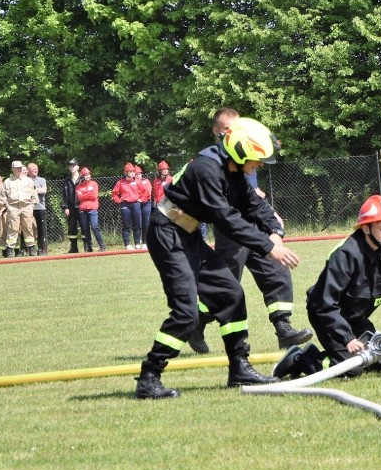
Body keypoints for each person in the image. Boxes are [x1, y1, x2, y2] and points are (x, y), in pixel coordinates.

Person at [134, 117, 300, 399]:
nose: (259, 166)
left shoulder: (232, 170)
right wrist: (268, 247)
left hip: (188, 236)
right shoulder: (206, 170)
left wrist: (275, 229)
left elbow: (252, 204)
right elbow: (227, 219)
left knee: (231, 294)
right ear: (241, 151)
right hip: (168, 235)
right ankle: (149, 376)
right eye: (257, 160)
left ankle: (239, 367)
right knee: (185, 313)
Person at [188, 107, 313, 354]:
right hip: (232, 228)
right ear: (216, 132)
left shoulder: (247, 152)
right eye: (227, 130)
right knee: (226, 285)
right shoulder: (211, 162)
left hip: (254, 222)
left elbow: (251, 198)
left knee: (276, 270)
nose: (234, 134)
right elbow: (225, 209)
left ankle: (284, 329)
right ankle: (197, 323)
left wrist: (273, 226)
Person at [272, 194, 381, 380]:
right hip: (327, 314)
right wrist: (347, 337)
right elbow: (325, 303)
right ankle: (302, 358)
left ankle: (330, 356)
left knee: (379, 362)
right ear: (366, 228)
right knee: (351, 369)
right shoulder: (346, 254)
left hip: (356, 317)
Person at [2, 161, 38, 257]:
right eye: (17, 168)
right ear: (12, 169)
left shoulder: (28, 180)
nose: (19, 169)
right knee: (12, 229)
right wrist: (8, 207)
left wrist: (31, 206)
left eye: (20, 168)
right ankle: (10, 250)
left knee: (28, 228)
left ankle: (31, 249)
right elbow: (3, 196)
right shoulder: (7, 182)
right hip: (13, 207)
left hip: (26, 206)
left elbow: (34, 194)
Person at [111, 163, 142, 250]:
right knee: (126, 225)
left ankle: (137, 243)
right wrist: (118, 201)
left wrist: (141, 199)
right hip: (125, 205)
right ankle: (127, 244)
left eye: (133, 171)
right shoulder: (120, 182)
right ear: (126, 172)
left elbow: (144, 191)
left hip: (136, 204)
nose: (132, 173)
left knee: (137, 224)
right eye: (130, 171)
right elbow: (114, 193)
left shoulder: (137, 181)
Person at [75, 167, 106, 252]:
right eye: (85, 175)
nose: (87, 176)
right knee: (85, 228)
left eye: (88, 174)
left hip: (92, 208)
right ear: (82, 176)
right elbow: (79, 197)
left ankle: (102, 245)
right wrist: (88, 194)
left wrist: (85, 194)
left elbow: (94, 196)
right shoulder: (78, 186)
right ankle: (89, 247)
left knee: (94, 226)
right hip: (83, 209)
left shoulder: (94, 184)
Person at [60, 158, 83, 253]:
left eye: (73, 165)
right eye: (70, 166)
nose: (71, 167)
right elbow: (64, 195)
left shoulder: (82, 178)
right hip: (71, 208)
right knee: (72, 228)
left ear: (77, 167)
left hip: (81, 207)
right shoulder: (67, 180)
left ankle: (87, 246)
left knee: (84, 227)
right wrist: (65, 207)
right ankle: (74, 247)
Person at [27, 162, 48, 255]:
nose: (35, 170)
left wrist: (32, 190)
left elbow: (44, 190)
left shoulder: (41, 180)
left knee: (41, 229)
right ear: (28, 171)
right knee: (28, 228)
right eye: (33, 169)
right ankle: (28, 249)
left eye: (36, 169)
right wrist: (37, 190)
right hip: (28, 208)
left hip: (40, 208)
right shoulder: (26, 180)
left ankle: (41, 249)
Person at [135, 165, 151, 249]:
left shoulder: (146, 181)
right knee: (138, 223)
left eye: (139, 174)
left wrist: (141, 199)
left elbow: (148, 192)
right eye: (136, 174)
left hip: (145, 203)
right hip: (137, 203)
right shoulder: (133, 183)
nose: (138, 175)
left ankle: (145, 242)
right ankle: (137, 242)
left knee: (146, 223)